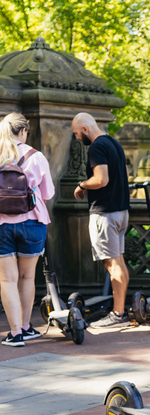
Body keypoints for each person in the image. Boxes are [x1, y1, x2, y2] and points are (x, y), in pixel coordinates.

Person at [71, 112, 131, 328]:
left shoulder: (96, 147)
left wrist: (82, 184)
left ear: (85, 129)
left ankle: (118, 314)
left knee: (112, 264)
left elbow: (101, 179)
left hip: (105, 214)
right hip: (121, 212)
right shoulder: (114, 143)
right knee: (119, 262)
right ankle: (120, 310)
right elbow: (124, 173)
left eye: (77, 133)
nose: (77, 138)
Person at [0, 114, 55, 347]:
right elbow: (48, 193)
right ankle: (26, 326)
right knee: (27, 276)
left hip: (2, 225)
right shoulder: (37, 156)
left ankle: (15, 334)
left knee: (7, 279)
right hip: (33, 222)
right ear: (23, 131)